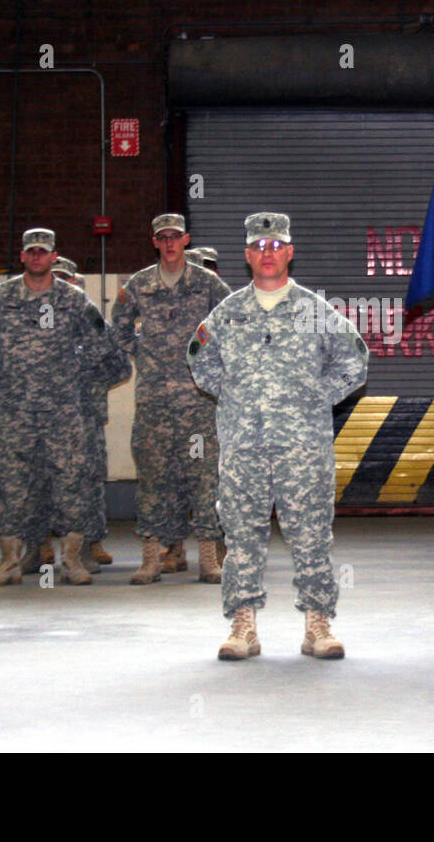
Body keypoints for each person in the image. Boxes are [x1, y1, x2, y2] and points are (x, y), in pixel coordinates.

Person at [188, 212, 367, 660]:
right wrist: (235, 396)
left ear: (289, 252)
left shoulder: (314, 311)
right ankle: (243, 624)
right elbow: (200, 362)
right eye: (259, 247)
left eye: (276, 246)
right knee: (242, 536)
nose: (267, 254)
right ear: (247, 255)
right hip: (243, 446)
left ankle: (317, 624)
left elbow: (354, 360)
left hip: (303, 448)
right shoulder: (227, 314)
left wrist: (315, 398)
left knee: (310, 535)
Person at [0, 228, 118, 587]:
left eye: (43, 252)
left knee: (70, 484)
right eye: (31, 251)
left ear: (54, 257)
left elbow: (101, 344)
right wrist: (3, 370)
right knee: (13, 486)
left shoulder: (74, 300)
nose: (36, 257)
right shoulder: (1, 298)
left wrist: (69, 372)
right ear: (22, 256)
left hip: (63, 412)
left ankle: (71, 560)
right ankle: (9, 562)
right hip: (15, 411)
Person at [112, 214, 231, 585]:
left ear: (186, 240)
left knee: (204, 478)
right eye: (162, 238)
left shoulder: (207, 282)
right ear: (154, 242)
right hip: (154, 403)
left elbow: (231, 323)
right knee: (153, 479)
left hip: (198, 403)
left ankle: (209, 559)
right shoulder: (139, 284)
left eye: (175, 237)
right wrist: (141, 353)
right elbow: (117, 328)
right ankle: (151, 557)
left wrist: (213, 362)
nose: (169, 244)